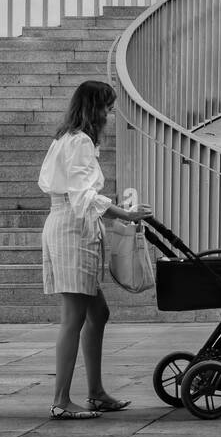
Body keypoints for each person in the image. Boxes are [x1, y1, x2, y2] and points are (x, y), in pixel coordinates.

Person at [39, 80, 151, 419]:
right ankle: (62, 400)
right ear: (94, 109)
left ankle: (96, 392)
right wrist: (127, 214)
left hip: (63, 222)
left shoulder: (63, 138)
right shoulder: (83, 141)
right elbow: (83, 196)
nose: (110, 113)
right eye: (107, 106)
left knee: (97, 313)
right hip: (73, 229)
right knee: (73, 317)